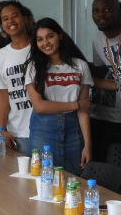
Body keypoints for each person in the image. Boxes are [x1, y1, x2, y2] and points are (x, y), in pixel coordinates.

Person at [24, 18, 93, 175]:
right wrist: (75, 105)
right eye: (40, 39)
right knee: (42, 178)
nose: (45, 43)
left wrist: (88, 144)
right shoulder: (33, 67)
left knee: (75, 179)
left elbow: (84, 110)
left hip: (74, 129)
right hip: (43, 130)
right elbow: (40, 106)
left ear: (60, 36)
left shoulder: (80, 65)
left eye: (50, 36)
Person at [89, 0, 121, 162]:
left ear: (119, 11)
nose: (100, 15)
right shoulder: (97, 41)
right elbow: (102, 69)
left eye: (107, 9)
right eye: (96, 11)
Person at [0, 0, 35, 154]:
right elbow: (3, 95)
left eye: (15, 16)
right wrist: (1, 130)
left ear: (24, 18)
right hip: (16, 132)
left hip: (44, 128)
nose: (10, 21)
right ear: (2, 24)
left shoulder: (39, 48)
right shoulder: (1, 55)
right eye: (5, 19)